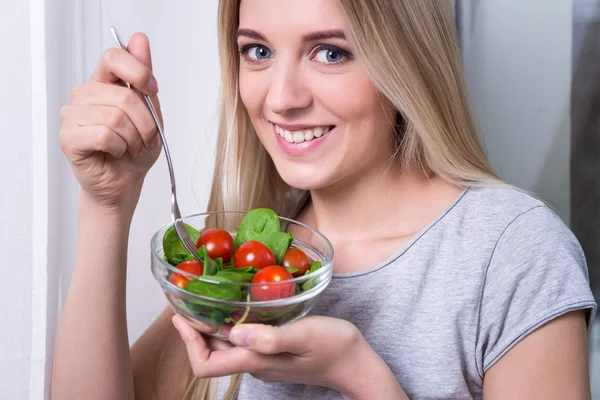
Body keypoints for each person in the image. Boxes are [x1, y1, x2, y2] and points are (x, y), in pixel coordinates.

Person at [50, 0, 597, 399]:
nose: (282, 99)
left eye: (330, 52)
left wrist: (358, 375)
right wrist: (105, 204)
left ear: (405, 62)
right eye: (258, 50)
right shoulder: (252, 260)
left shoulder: (513, 251)